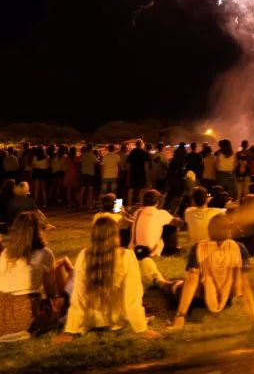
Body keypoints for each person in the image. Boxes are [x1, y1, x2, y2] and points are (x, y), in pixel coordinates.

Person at [58, 214, 159, 340]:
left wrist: (71, 330)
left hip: (90, 320)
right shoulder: (127, 256)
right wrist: (141, 329)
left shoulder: (84, 255)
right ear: (116, 234)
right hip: (116, 320)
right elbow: (132, 297)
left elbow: (79, 296)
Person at [172, 212, 254, 328]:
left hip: (198, 301)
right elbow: (244, 284)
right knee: (180, 282)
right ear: (229, 230)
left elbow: (191, 280)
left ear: (209, 230)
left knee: (174, 286)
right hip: (225, 301)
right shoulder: (239, 248)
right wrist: (253, 316)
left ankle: (162, 282)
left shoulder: (199, 247)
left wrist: (180, 316)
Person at [0, 212, 72, 341]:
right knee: (63, 303)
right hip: (26, 310)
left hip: (3, 311)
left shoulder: (6, 252)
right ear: (37, 230)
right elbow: (50, 289)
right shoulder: (44, 253)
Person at [129, 189, 181, 257]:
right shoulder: (160, 213)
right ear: (158, 202)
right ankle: (172, 250)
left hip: (133, 249)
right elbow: (179, 223)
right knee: (171, 226)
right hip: (149, 250)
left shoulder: (137, 212)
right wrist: (177, 218)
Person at [126, 140, 151, 207]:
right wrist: (147, 176)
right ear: (142, 144)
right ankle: (141, 206)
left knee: (131, 190)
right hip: (141, 174)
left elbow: (128, 166)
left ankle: (129, 206)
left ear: (136, 145)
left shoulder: (131, 153)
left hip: (133, 174)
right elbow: (146, 167)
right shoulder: (145, 153)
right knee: (141, 191)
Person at [79, 143, 97, 209]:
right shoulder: (92, 156)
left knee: (82, 189)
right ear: (91, 148)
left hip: (83, 174)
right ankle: (90, 205)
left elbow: (80, 163)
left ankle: (80, 203)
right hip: (90, 174)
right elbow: (96, 163)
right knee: (90, 190)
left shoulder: (83, 155)